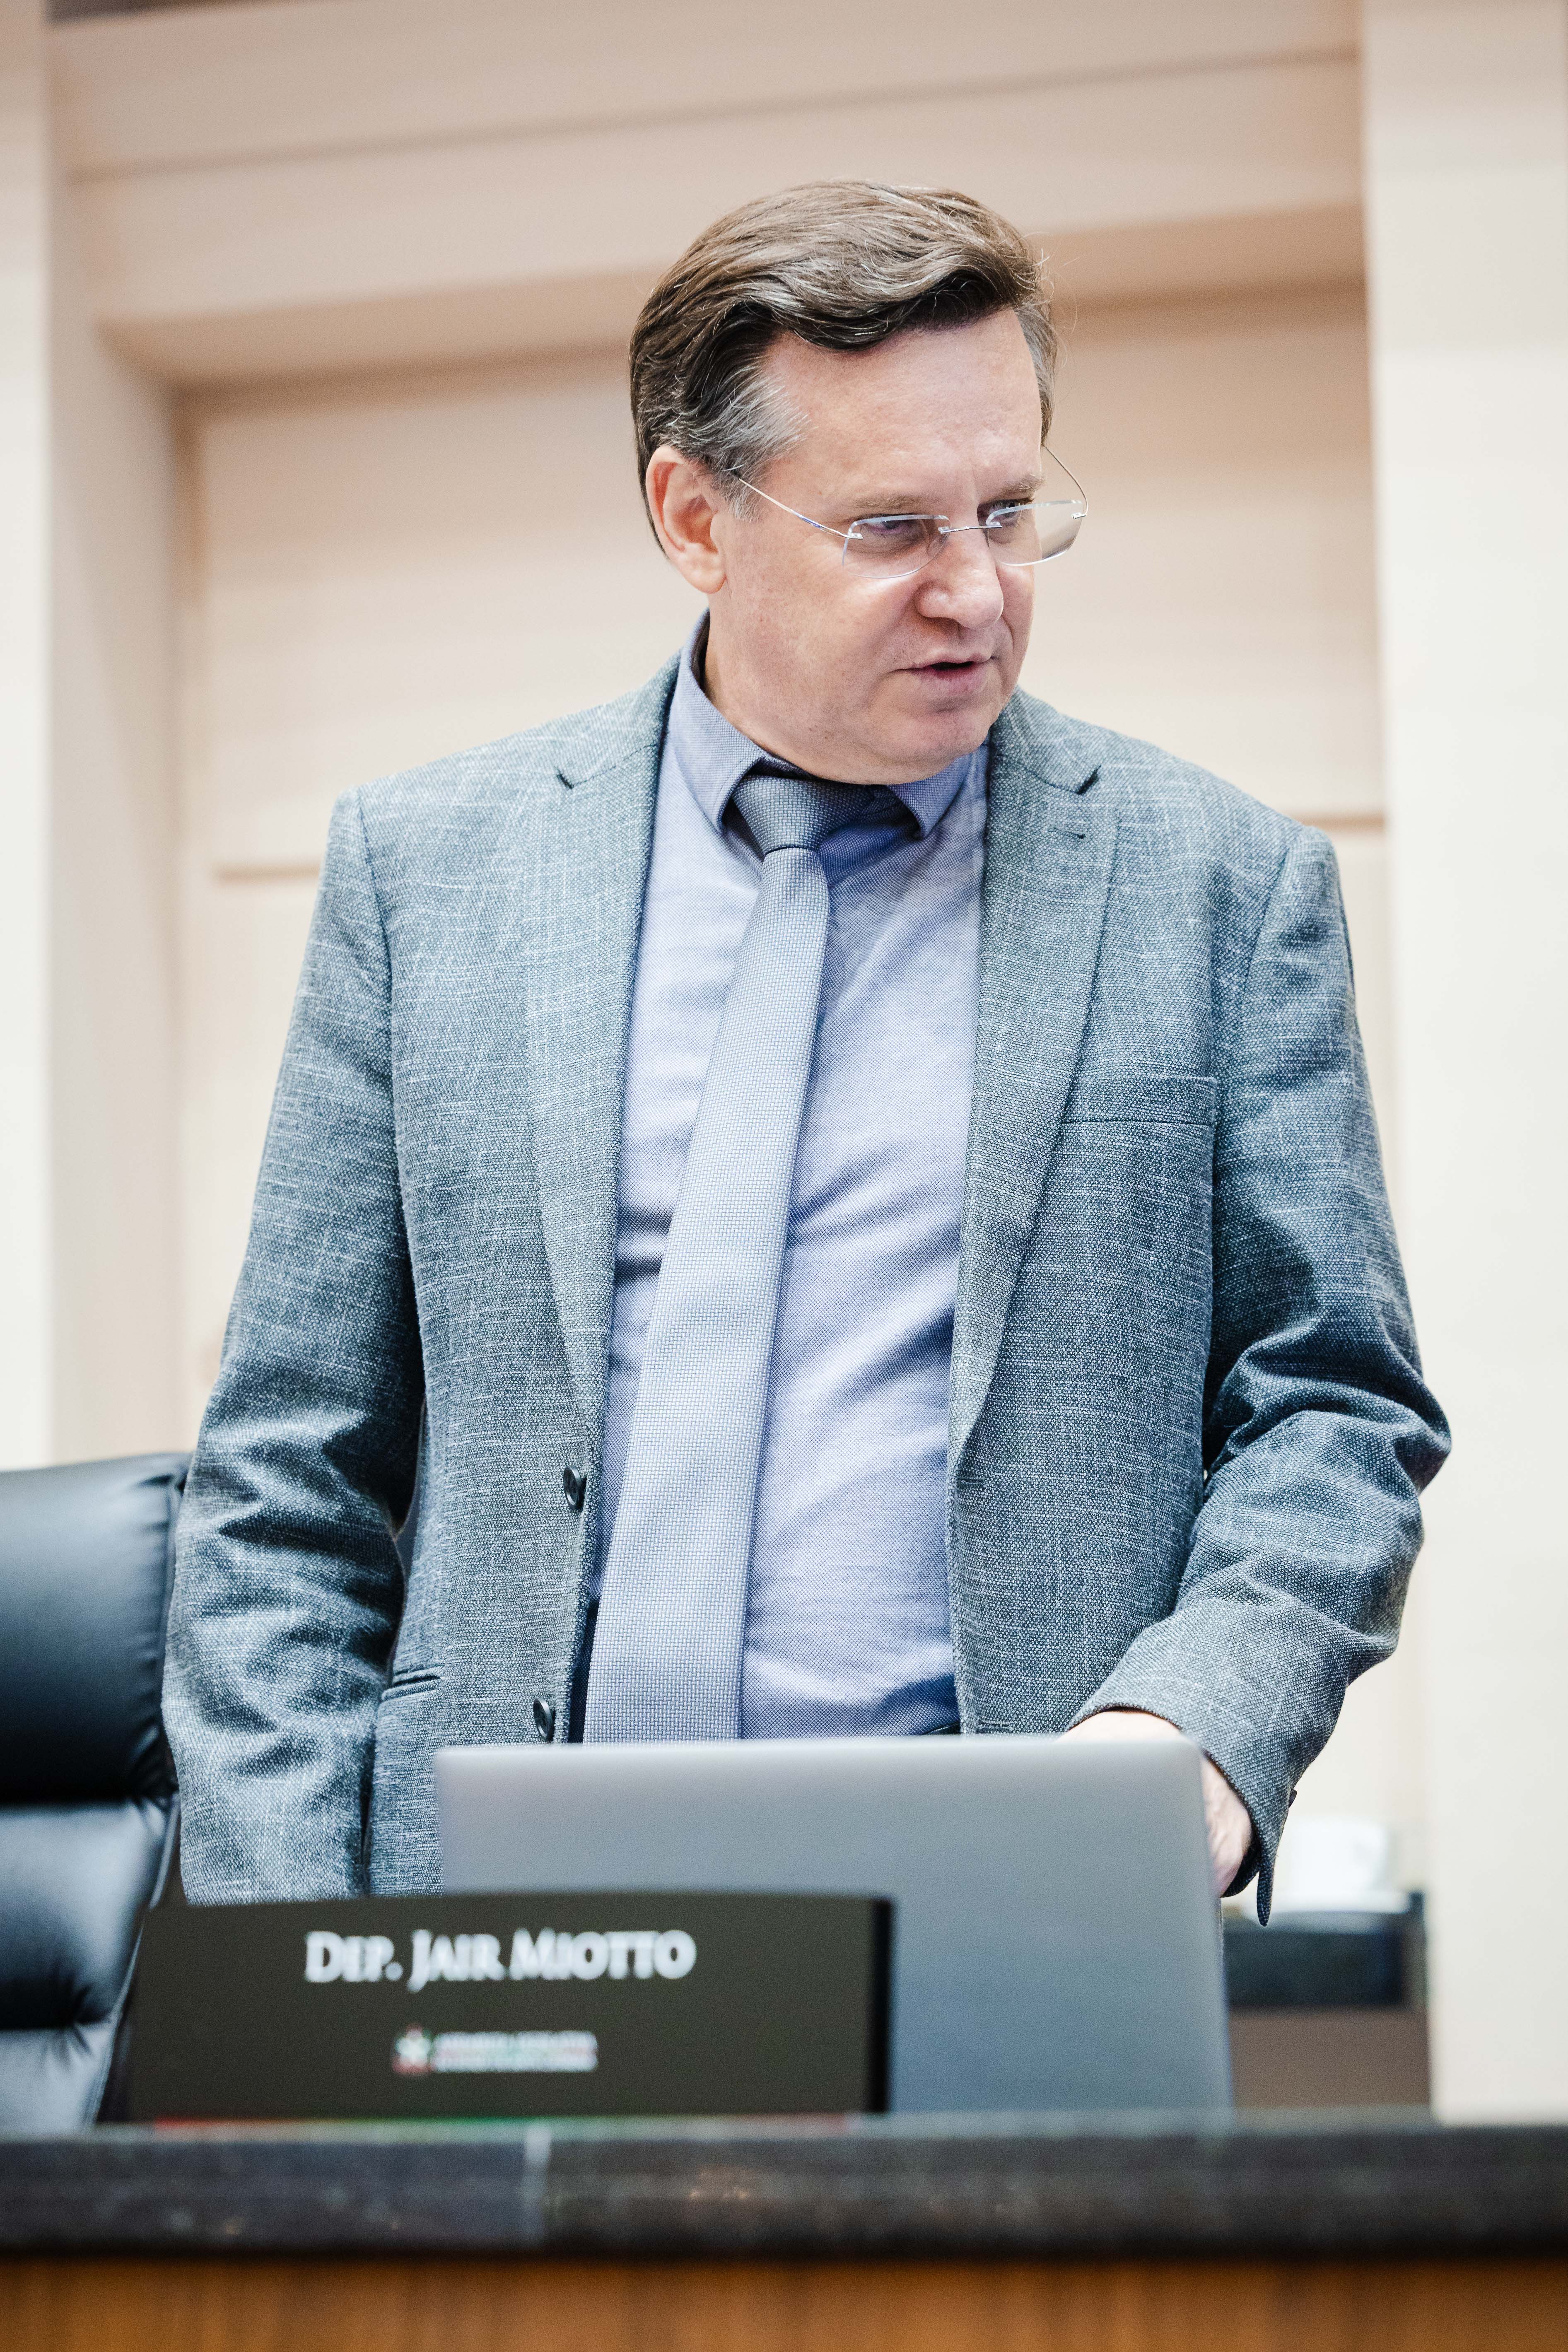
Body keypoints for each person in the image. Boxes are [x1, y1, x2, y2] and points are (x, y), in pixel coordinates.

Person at [165, 181, 1448, 1914]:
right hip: (498, 1920)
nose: (975, 592)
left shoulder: (1216, 888)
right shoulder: (432, 878)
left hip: (1011, 1903)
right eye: (890, 528)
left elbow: (1335, 1405)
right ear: (693, 516)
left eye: (1009, 511)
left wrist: (1195, 1727)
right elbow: (285, 1483)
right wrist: (287, 1958)